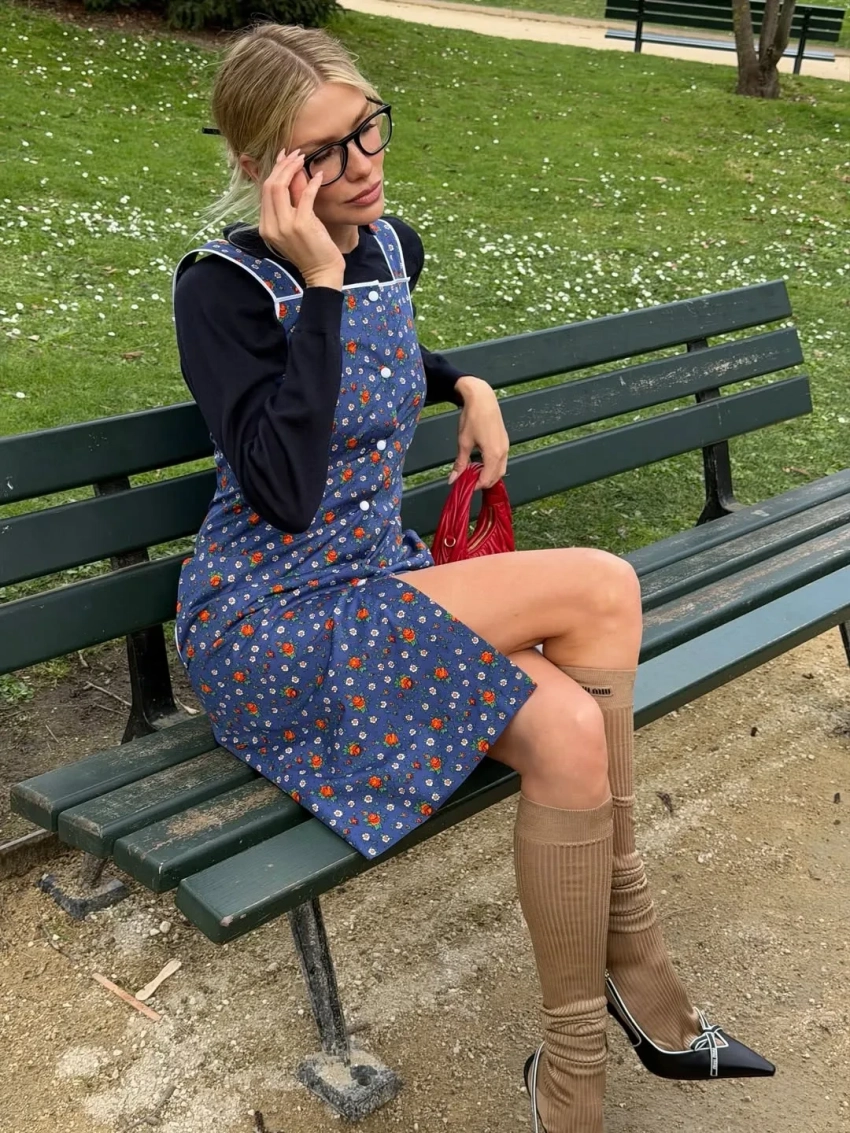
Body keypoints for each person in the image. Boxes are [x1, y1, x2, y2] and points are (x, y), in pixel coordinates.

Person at [171, 23, 774, 1132]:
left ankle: (572, 1076)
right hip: (272, 617)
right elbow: (283, 489)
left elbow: (389, 358)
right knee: (601, 586)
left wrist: (467, 382)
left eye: (368, 130)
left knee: (571, 733)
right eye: (324, 153)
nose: (363, 165)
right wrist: (317, 284)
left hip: (378, 582)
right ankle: (643, 969)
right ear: (262, 168)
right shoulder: (224, 290)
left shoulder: (389, 247)